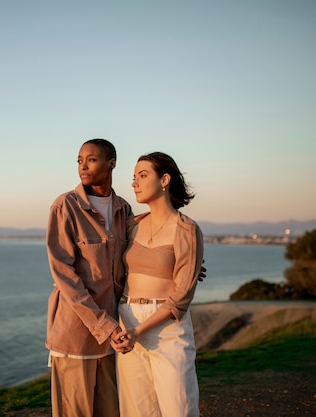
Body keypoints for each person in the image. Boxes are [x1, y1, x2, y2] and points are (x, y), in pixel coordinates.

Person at [111, 152, 204, 417]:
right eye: (133, 177)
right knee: (137, 411)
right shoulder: (132, 226)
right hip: (127, 320)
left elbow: (182, 294)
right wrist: (127, 327)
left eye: (142, 175)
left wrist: (139, 330)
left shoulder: (186, 229)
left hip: (167, 327)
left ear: (164, 179)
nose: (134, 183)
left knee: (179, 408)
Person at [45, 138, 133, 417]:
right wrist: (104, 326)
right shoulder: (66, 206)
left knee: (112, 411)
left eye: (92, 159)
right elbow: (64, 274)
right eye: (80, 160)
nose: (83, 165)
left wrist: (186, 263)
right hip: (77, 335)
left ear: (112, 163)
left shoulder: (123, 209)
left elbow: (138, 256)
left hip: (113, 337)